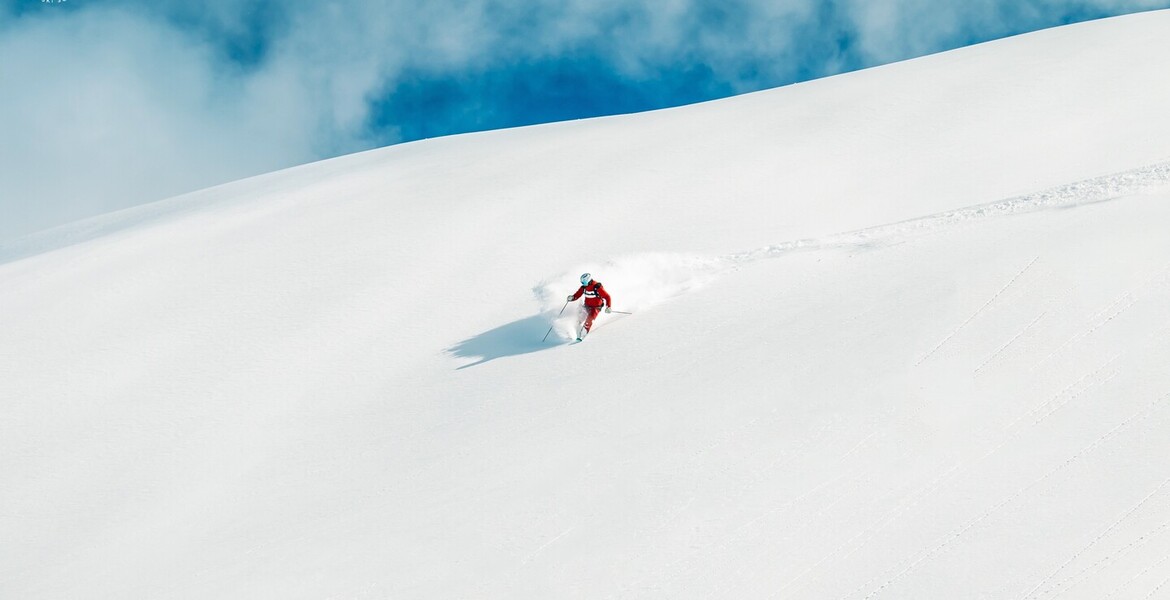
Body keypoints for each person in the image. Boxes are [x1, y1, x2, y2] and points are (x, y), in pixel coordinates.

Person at [567, 272, 612, 341]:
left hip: (596, 308)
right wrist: (572, 298)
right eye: (582, 282)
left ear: (589, 280)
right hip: (587, 306)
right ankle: (571, 334)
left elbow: (607, 296)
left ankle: (582, 335)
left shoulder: (597, 287)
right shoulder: (584, 287)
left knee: (589, 321)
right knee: (577, 320)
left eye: (584, 282)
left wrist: (608, 307)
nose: (583, 284)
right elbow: (577, 295)